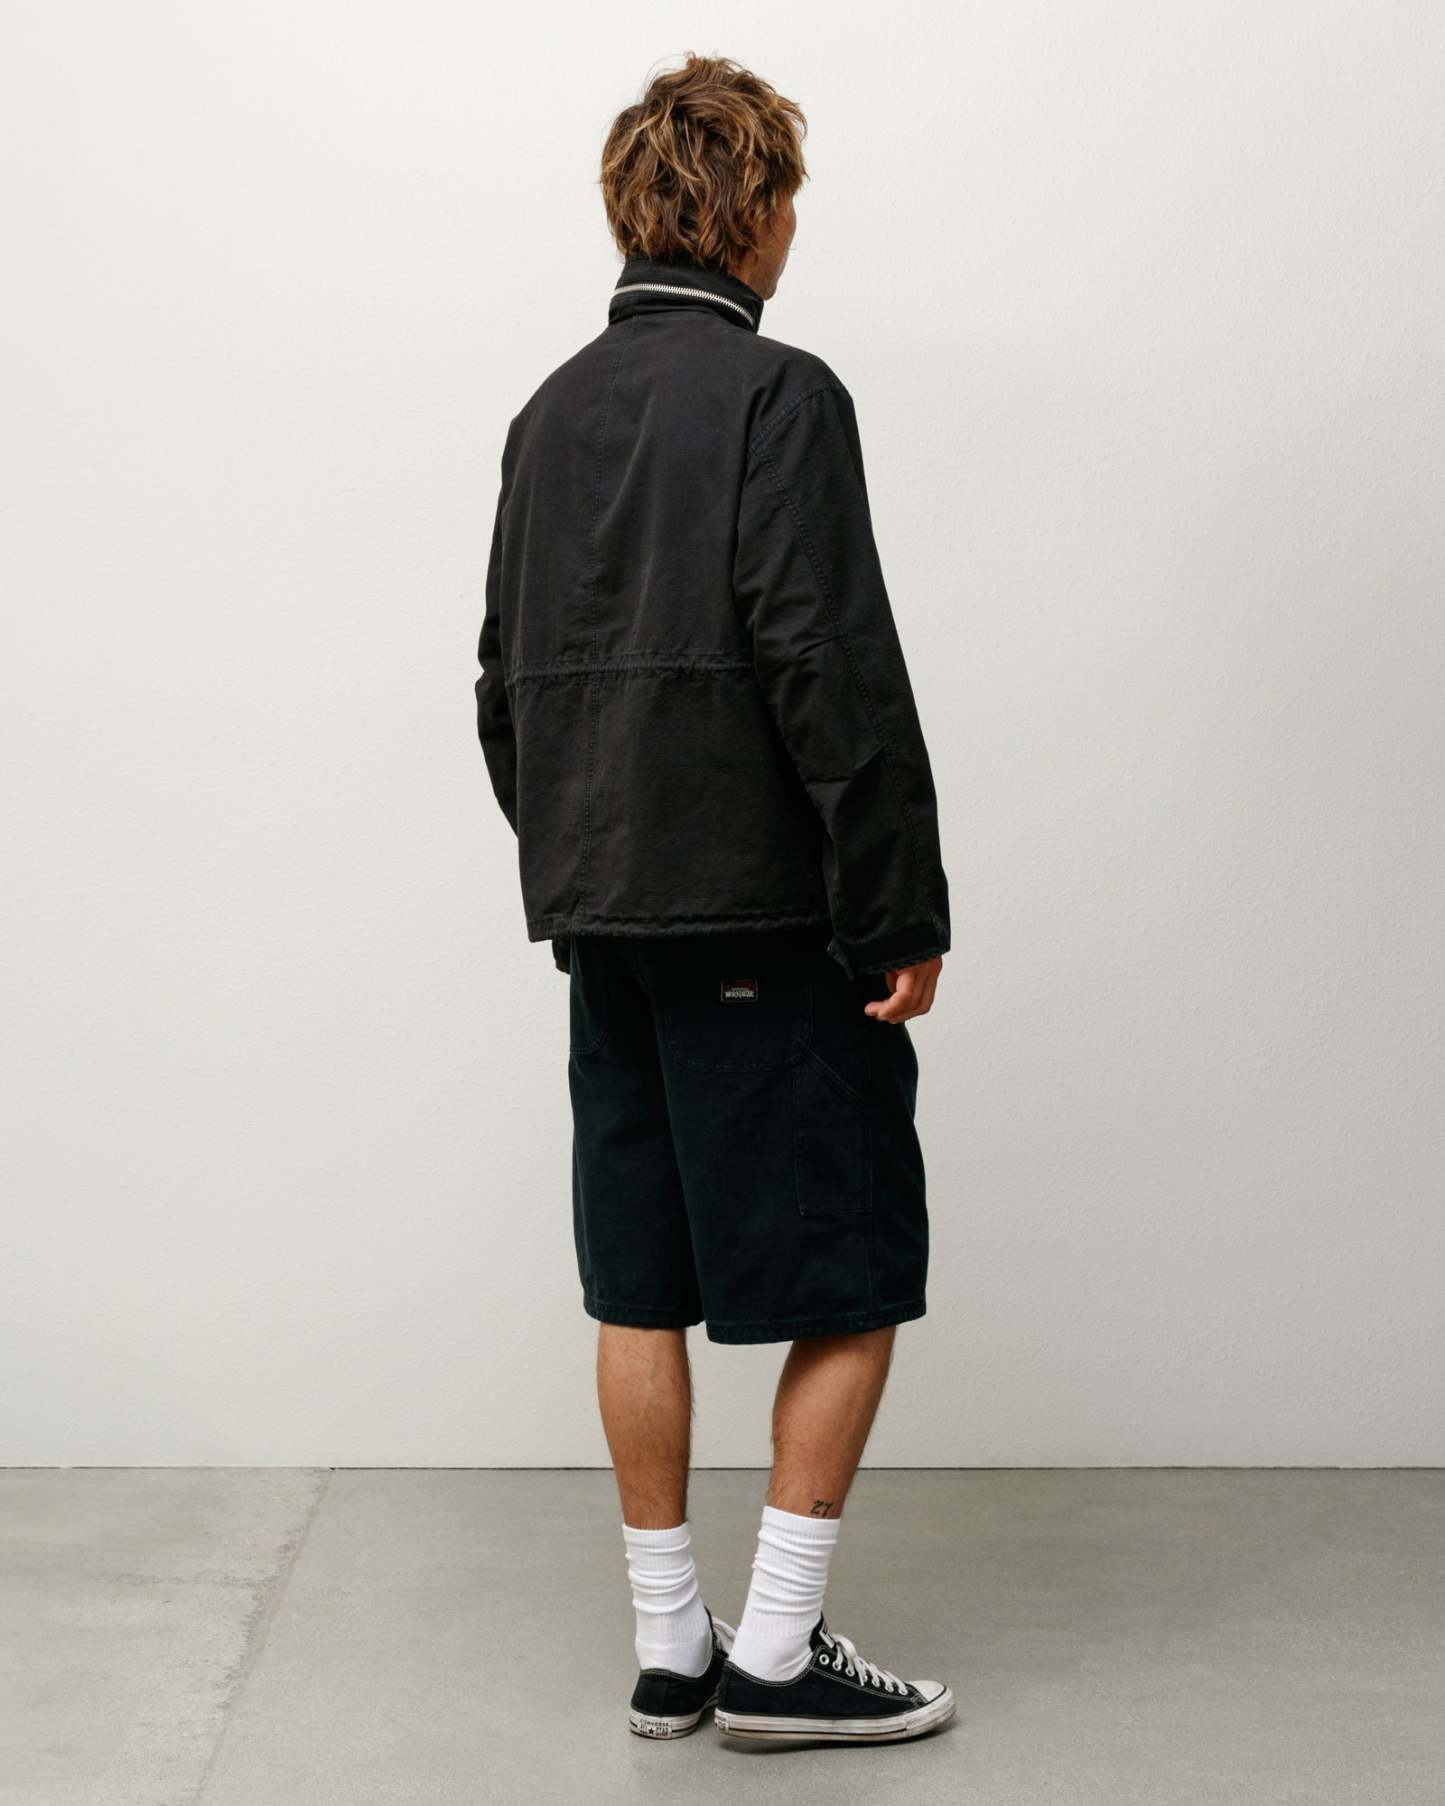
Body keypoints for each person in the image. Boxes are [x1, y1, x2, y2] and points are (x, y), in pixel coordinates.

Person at [475, 53, 954, 1746]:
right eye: (788, 202)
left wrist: (582, 859)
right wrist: (895, 907)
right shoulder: (779, 397)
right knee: (852, 1268)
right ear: (754, 209)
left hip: (601, 917)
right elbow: (830, 664)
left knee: (637, 1279)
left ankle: (669, 1643)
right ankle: (776, 1651)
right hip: (763, 917)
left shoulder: (549, 411)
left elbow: (500, 686)